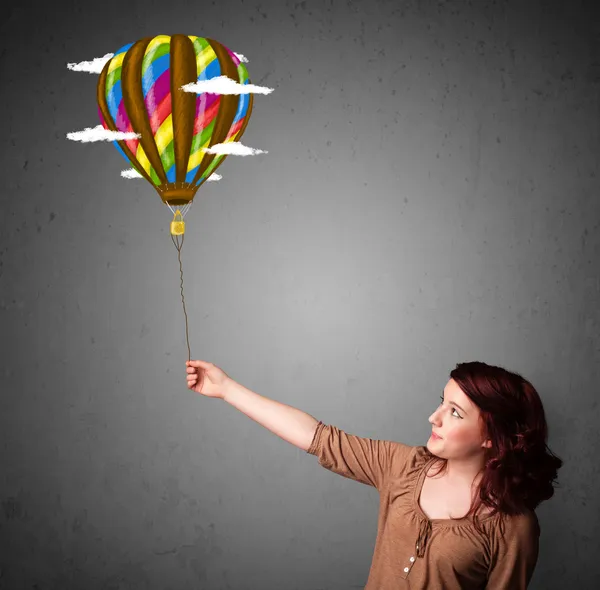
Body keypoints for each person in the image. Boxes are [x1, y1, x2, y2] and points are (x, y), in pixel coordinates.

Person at [184, 359, 563, 589]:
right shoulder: (402, 467)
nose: (435, 417)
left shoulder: (513, 528)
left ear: (490, 437)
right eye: (441, 402)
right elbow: (317, 437)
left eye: (456, 413)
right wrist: (226, 389)